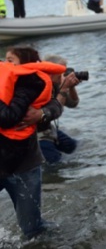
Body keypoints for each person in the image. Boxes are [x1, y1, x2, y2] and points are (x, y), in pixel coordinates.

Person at [0, 48, 65, 239]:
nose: (5, 64)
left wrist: (42, 113)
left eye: (11, 60)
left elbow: (56, 105)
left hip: (25, 164)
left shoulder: (32, 82)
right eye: (5, 60)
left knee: (32, 228)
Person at [37, 54, 80, 164]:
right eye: (60, 71)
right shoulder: (38, 85)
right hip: (36, 134)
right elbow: (53, 112)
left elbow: (73, 104)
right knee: (55, 164)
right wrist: (64, 87)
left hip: (48, 129)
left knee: (73, 146)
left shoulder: (55, 84)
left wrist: (71, 87)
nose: (64, 74)